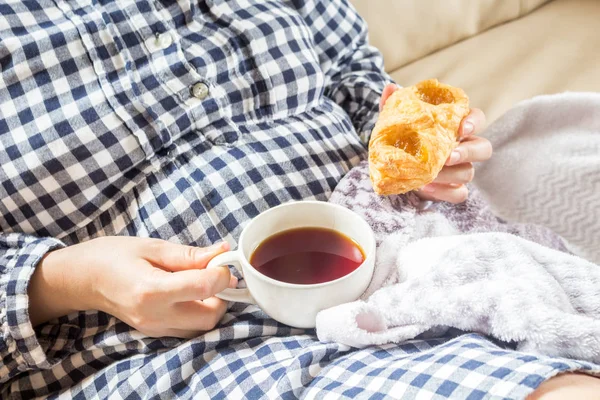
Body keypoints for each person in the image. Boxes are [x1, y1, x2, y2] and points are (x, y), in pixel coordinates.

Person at [0, 0, 597, 398]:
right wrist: (65, 279)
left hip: (402, 246)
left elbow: (354, 77)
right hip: (190, 346)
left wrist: (413, 135)